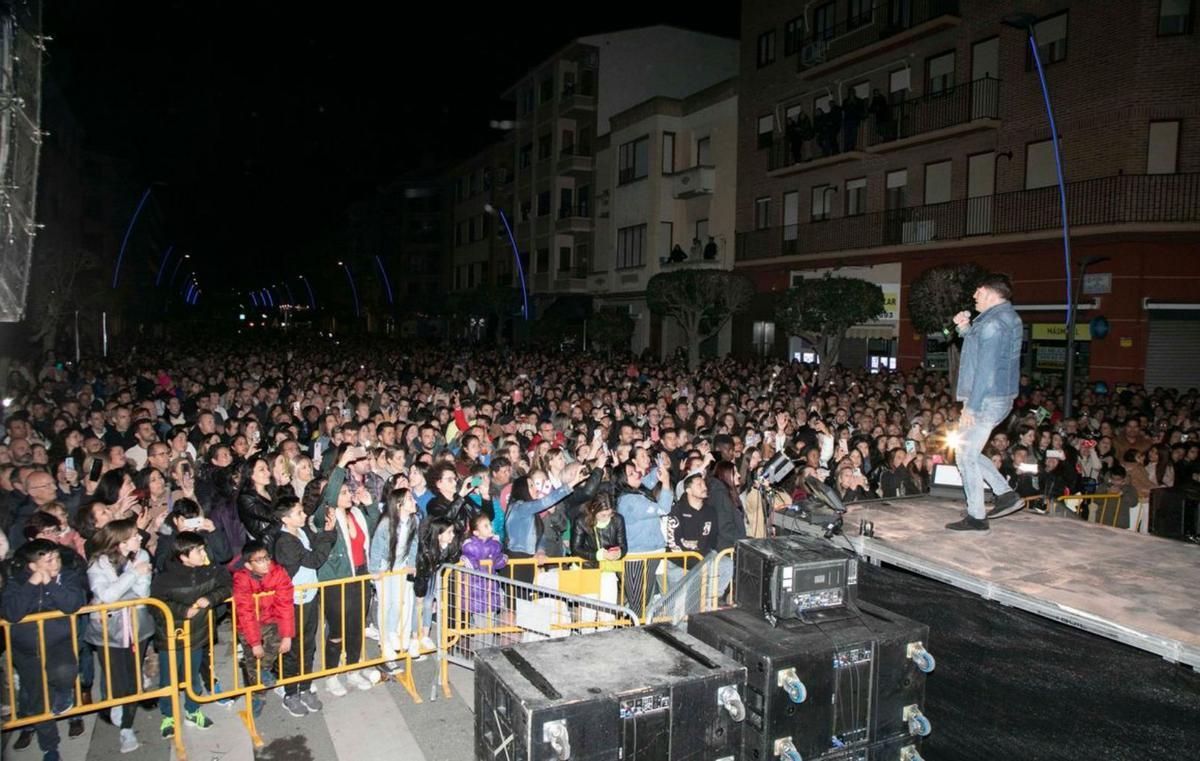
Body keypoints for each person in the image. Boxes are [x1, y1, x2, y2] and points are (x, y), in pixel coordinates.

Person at [948, 273, 1024, 531]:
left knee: (965, 455)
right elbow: (980, 350)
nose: (974, 297)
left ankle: (977, 516)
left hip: (986, 399)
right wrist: (963, 328)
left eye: (978, 292)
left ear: (991, 293)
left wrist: (972, 405)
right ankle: (1005, 494)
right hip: (996, 397)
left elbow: (986, 369)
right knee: (968, 451)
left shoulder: (994, 324)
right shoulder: (1001, 319)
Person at [1, 539, 87, 761]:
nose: (55, 563)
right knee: (39, 700)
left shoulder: (65, 577)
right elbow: (12, 613)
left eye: (56, 558)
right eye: (48, 561)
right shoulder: (16, 582)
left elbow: (72, 603)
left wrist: (50, 583)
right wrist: (32, 584)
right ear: (32, 566)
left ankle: (64, 693)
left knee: (66, 671)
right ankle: (50, 747)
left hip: (58, 643)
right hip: (27, 651)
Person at [84, 518, 154, 754]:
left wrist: (130, 578)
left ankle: (127, 727)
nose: (141, 538)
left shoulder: (142, 556)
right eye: (135, 535)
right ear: (121, 542)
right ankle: (117, 703)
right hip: (108, 631)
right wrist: (133, 575)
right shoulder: (98, 564)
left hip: (137, 625)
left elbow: (143, 594)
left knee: (133, 677)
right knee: (116, 677)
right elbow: (108, 595)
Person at [151, 531, 229, 737]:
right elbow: (155, 606)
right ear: (184, 556)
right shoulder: (165, 577)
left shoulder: (209, 569)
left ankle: (192, 711)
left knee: (192, 675)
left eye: (203, 549)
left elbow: (228, 586)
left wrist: (211, 598)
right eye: (199, 550)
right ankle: (168, 715)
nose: (204, 553)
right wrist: (182, 610)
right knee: (169, 679)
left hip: (198, 635)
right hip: (172, 637)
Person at [272, 496, 335, 714]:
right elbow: (314, 560)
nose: (304, 515)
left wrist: (326, 533)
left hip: (308, 597)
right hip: (292, 602)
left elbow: (315, 547)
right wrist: (328, 536)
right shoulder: (284, 542)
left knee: (308, 644)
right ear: (285, 519)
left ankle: (305, 685)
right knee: (292, 647)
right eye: (299, 513)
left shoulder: (300, 532)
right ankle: (290, 692)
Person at [231, 540, 294, 715]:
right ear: (248, 565)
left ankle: (264, 669)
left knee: (276, 643)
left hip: (270, 620)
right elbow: (245, 612)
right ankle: (258, 696)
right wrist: (255, 642)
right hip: (248, 625)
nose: (266, 562)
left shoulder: (278, 572)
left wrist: (287, 635)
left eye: (266, 557)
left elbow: (286, 605)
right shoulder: (241, 578)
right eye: (259, 560)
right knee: (253, 661)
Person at [368, 485, 420, 662]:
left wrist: (411, 563)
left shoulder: (414, 521)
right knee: (386, 603)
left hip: (399, 565)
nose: (414, 501)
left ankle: (391, 632)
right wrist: (375, 570)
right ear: (399, 504)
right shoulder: (386, 524)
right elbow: (376, 547)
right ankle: (385, 641)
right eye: (410, 499)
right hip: (384, 565)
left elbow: (414, 543)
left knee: (398, 602)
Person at [412, 517, 461, 657]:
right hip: (421, 580)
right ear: (439, 535)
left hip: (433, 578)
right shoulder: (426, 550)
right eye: (449, 532)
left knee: (428, 604)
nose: (453, 535)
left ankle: (425, 635)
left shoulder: (447, 547)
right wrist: (419, 594)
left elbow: (451, 560)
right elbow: (421, 574)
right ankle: (414, 638)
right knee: (418, 606)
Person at [459, 512, 508, 631]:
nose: (490, 528)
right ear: (476, 532)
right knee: (482, 630)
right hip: (476, 594)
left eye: (490, 524)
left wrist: (501, 557)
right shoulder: (470, 546)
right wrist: (495, 547)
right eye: (485, 526)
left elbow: (498, 563)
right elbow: (475, 560)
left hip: (490, 591)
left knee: (489, 628)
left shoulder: (494, 544)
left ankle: (487, 650)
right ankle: (480, 651)